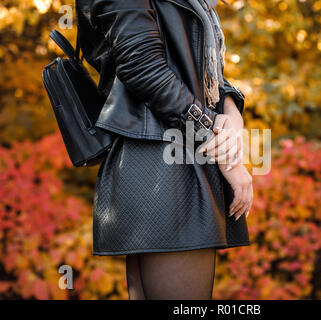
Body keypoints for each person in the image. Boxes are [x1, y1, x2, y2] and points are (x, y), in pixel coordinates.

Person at [76, 0, 253, 299]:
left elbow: (199, 69)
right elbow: (143, 69)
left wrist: (231, 110)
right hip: (157, 163)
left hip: (183, 154)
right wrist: (221, 148)